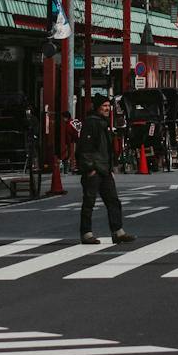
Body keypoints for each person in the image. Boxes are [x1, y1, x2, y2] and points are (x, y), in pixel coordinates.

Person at [77, 100, 135, 248]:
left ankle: (118, 231)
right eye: (103, 106)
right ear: (97, 108)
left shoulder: (104, 123)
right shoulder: (91, 123)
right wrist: (90, 168)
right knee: (89, 202)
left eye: (108, 106)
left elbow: (107, 149)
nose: (107, 109)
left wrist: (110, 167)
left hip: (104, 169)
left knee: (113, 201)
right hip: (95, 169)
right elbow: (85, 147)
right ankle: (86, 233)